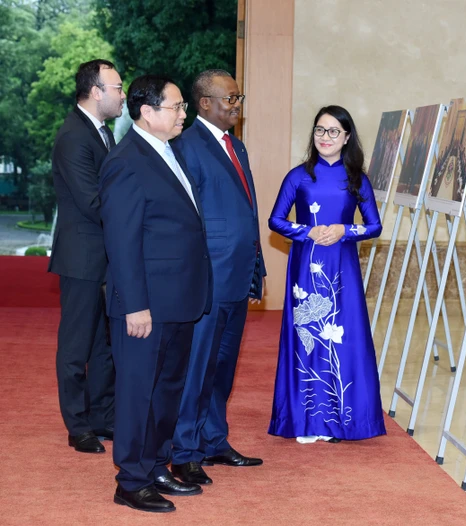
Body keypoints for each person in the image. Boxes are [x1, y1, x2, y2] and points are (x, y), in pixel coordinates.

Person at [99, 75, 212, 513]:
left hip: (178, 298)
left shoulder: (169, 151)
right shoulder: (127, 161)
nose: (185, 113)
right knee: (137, 392)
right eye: (177, 106)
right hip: (145, 305)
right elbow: (122, 242)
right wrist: (135, 305)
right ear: (147, 112)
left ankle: (153, 466)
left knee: (166, 390)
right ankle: (130, 480)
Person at [268, 105, 386, 443]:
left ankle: (345, 420)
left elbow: (374, 226)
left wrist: (344, 230)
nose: (325, 137)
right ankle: (308, 419)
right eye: (320, 130)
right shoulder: (298, 175)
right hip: (306, 265)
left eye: (334, 131)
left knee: (344, 337)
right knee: (308, 335)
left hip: (342, 266)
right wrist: (307, 232)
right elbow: (275, 220)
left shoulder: (356, 178)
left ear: (347, 137)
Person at [170, 70, 265, 486]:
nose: (236, 105)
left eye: (238, 97)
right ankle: (184, 450)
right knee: (197, 368)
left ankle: (213, 440)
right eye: (230, 98)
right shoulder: (186, 147)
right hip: (208, 279)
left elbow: (247, 211)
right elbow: (185, 220)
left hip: (238, 274)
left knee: (222, 366)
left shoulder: (236, 147)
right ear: (204, 103)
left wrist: (256, 265)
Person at [49, 59, 125, 454]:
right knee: (77, 346)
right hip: (81, 257)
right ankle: (77, 425)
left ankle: (101, 417)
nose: (123, 94)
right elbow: (93, 202)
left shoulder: (102, 132)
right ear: (95, 92)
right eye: (117, 87)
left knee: (103, 346)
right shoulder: (74, 137)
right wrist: (135, 221)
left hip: (104, 256)